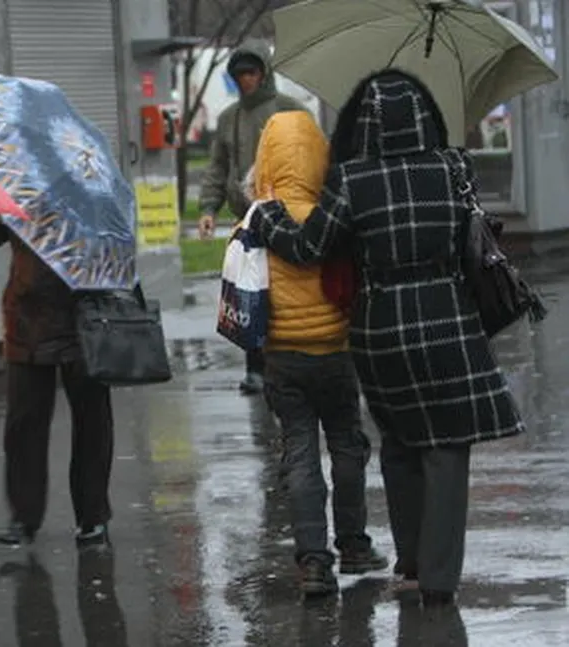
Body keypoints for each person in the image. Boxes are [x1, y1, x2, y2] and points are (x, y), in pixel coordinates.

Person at [249, 70, 525, 607]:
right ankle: (440, 581)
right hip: (447, 322)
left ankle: (412, 564)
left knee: (399, 442)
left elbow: (310, 247)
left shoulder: (354, 180)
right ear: (426, 117)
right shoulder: (454, 167)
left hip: (381, 331)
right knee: (446, 447)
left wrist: (269, 222)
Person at [245, 110, 387, 597]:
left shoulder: (258, 217)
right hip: (335, 351)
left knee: (300, 452)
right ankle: (354, 545)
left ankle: (312, 562)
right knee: (347, 445)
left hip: (282, 356)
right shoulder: (334, 212)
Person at [0, 214, 114, 548]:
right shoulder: (18, 176)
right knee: (24, 421)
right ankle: (24, 517)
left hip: (84, 313)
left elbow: (113, 231)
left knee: (93, 422)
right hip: (27, 317)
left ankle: (93, 518)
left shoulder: (87, 172)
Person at [198, 40, 307, 395]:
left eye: (252, 72)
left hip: (286, 216)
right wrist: (207, 209)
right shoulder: (230, 117)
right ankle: (254, 367)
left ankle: (286, 362)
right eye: (240, 74)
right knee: (247, 292)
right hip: (246, 219)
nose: (246, 80)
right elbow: (217, 168)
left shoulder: (289, 109)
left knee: (284, 293)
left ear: (264, 73)